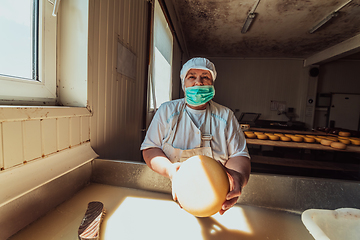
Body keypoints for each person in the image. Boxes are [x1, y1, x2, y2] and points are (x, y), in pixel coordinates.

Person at [141, 57, 250, 215]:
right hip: (171, 195)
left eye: (205, 77)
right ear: (183, 83)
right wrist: (170, 171)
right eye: (191, 76)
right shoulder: (166, 111)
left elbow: (239, 154)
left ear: (212, 83)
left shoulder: (225, 116)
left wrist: (237, 178)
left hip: (217, 197)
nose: (198, 82)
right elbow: (150, 149)